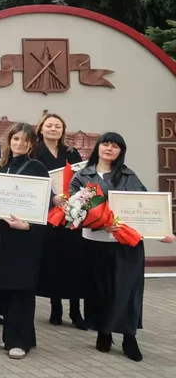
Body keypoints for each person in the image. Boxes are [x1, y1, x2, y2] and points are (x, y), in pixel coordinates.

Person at [71, 133, 174, 361]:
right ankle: (103, 332)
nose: (109, 148)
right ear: (98, 148)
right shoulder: (81, 176)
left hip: (127, 243)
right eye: (105, 144)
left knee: (128, 291)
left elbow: (147, 208)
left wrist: (161, 232)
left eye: (115, 146)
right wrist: (100, 223)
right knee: (99, 291)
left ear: (121, 151)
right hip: (96, 244)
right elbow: (73, 210)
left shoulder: (129, 176)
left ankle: (129, 337)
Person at [0, 123, 49, 360]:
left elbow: (43, 207)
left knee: (21, 291)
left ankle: (20, 341)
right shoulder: (1, 168)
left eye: (25, 140)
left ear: (32, 144)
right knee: (7, 290)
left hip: (25, 238)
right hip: (3, 238)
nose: (20, 144)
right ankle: (15, 336)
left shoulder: (37, 168)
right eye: (15, 139)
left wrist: (28, 225)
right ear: (8, 141)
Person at [35, 112, 87, 329]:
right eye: (49, 125)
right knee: (53, 262)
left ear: (63, 130)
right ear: (41, 129)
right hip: (49, 216)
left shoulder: (71, 153)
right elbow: (34, 181)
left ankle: (76, 311)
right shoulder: (34, 152)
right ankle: (55, 308)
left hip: (72, 214)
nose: (53, 129)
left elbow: (81, 179)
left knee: (74, 263)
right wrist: (51, 198)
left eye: (58, 126)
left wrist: (76, 199)